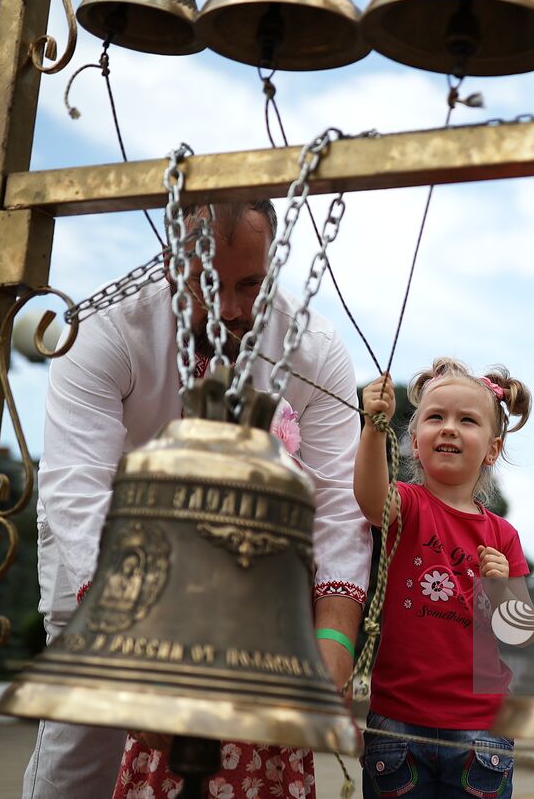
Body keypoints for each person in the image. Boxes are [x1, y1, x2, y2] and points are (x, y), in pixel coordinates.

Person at [23, 201, 371, 799]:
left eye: (251, 284)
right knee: (85, 744)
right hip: (103, 553)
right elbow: (81, 491)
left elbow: (338, 503)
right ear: (168, 261)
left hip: (253, 579)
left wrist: (333, 645)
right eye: (209, 283)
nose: (232, 310)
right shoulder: (104, 331)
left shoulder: (316, 345)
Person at [356, 359, 534, 799]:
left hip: (481, 730)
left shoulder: (503, 535)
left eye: (467, 420)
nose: (449, 428)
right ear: (414, 443)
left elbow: (521, 633)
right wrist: (373, 428)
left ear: (491, 450)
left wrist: (501, 587)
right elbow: (370, 498)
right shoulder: (408, 505)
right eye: (436, 417)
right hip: (398, 723)